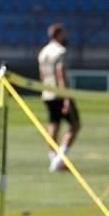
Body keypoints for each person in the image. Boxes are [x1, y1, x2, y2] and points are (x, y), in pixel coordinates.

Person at [37, 22, 81, 172]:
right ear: (58, 34)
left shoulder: (43, 52)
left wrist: (43, 91)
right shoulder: (60, 51)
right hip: (59, 93)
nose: (66, 36)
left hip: (47, 93)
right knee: (75, 125)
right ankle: (59, 160)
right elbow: (61, 76)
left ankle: (53, 159)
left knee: (53, 126)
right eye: (63, 33)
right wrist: (67, 97)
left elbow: (42, 75)